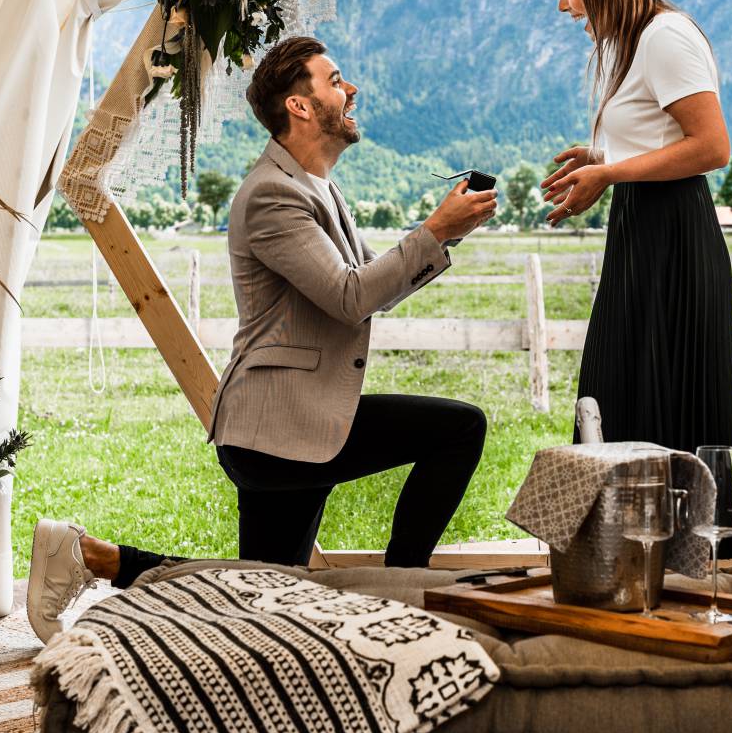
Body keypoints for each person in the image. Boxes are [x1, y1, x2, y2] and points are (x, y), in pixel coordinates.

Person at [26, 35, 498, 642]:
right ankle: (404, 589)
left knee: (263, 597)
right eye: (335, 80)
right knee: (459, 429)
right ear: (299, 106)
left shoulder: (315, 185)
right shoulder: (274, 195)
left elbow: (366, 291)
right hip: (278, 429)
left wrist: (444, 235)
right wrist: (432, 230)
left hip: (293, 423)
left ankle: (92, 556)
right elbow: (350, 296)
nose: (351, 90)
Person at [541, 0, 732, 556]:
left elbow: (712, 147)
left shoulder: (666, 37)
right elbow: (658, 140)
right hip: (639, 231)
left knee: (660, 388)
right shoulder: (627, 42)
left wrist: (610, 171)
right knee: (619, 386)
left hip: (675, 238)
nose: (563, 5)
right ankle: (615, 552)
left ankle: (682, 555)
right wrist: (602, 157)